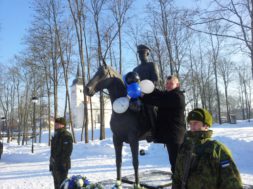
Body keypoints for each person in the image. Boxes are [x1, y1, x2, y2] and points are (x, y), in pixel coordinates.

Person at [172, 108, 243, 189]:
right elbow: (177, 178)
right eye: (190, 123)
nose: (192, 127)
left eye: (195, 123)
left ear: (206, 125)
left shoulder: (217, 149)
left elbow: (231, 182)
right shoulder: (185, 148)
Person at [141, 75, 186, 174]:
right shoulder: (169, 94)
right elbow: (159, 93)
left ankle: (180, 183)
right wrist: (150, 88)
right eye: (167, 83)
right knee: (174, 162)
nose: (168, 85)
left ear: (177, 85)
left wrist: (143, 97)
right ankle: (178, 180)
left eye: (171, 84)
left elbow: (159, 101)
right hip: (171, 134)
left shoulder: (178, 96)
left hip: (176, 136)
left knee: (177, 163)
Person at [133, 44, 161, 141]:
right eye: (140, 53)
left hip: (151, 93)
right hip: (139, 94)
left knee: (150, 107)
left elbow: (156, 80)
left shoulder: (152, 65)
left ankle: (155, 131)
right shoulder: (135, 69)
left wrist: (147, 91)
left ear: (147, 54)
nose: (141, 55)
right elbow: (134, 84)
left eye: (143, 53)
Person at [50, 117, 73, 189]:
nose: (55, 125)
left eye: (57, 124)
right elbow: (53, 151)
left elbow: (67, 151)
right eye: (55, 124)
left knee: (62, 185)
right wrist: (51, 163)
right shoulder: (56, 134)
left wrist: (62, 163)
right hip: (55, 165)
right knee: (56, 185)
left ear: (62, 125)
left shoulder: (66, 135)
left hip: (62, 165)